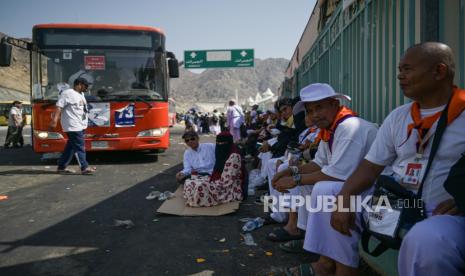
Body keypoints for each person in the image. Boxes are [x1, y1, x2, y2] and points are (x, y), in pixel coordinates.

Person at [313, 42, 465, 276]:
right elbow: (369, 167)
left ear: (439, 71)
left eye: (407, 69)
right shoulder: (399, 116)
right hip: (397, 203)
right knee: (329, 194)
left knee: (427, 239)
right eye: (399, 69)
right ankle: (342, 270)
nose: (400, 76)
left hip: (443, 215)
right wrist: (344, 198)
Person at [270, 83, 378, 269]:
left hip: (372, 192)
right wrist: (292, 171)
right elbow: (318, 163)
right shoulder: (331, 128)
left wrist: (294, 179)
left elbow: (336, 175)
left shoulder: (349, 127)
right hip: (350, 185)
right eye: (310, 111)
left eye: (319, 107)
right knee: (309, 185)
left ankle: (328, 262)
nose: (314, 115)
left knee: (325, 190)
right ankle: (310, 240)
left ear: (335, 104)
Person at [183, 131, 245, 207]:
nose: (190, 142)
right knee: (189, 182)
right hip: (213, 178)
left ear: (197, 138)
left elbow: (226, 182)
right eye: (187, 140)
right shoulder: (187, 153)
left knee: (200, 187)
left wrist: (210, 184)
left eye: (192, 139)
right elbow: (187, 168)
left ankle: (199, 198)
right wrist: (183, 174)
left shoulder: (234, 156)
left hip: (226, 186)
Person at [49, 78, 96, 174]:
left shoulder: (81, 95)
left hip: (80, 125)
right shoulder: (68, 93)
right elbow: (59, 107)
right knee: (80, 147)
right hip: (72, 125)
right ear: (79, 84)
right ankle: (84, 167)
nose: (87, 87)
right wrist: (54, 121)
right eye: (86, 85)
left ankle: (61, 167)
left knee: (70, 147)